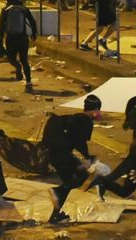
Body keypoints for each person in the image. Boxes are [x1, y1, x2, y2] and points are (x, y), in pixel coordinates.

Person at [44, 95, 102, 224]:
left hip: (55, 154)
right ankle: (57, 191)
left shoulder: (75, 118)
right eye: (98, 111)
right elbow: (80, 143)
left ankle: (55, 215)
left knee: (70, 182)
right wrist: (86, 160)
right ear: (95, 110)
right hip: (62, 155)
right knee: (80, 177)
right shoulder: (86, 122)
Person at [0, 0, 38, 91]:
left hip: (11, 39)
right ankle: (29, 83)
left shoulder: (5, 10)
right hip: (23, 38)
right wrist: (34, 34)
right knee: (24, 60)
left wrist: (0, 38)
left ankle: (17, 67)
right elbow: (33, 22)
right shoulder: (24, 9)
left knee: (11, 58)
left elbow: (1, 26)